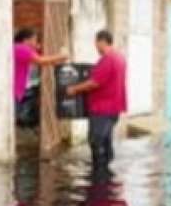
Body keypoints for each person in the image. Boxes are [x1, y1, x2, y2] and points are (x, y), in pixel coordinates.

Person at [67, 30, 128, 177]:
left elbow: (95, 82)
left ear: (101, 41)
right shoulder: (120, 57)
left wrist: (74, 88)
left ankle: (99, 175)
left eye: (96, 43)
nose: (96, 46)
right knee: (106, 140)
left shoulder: (107, 59)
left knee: (96, 140)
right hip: (113, 108)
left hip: (102, 108)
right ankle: (107, 173)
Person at [12, 28, 67, 109]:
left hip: (15, 91)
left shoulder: (17, 48)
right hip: (14, 91)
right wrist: (62, 56)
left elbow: (42, 60)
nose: (36, 42)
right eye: (34, 39)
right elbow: (41, 60)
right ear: (26, 40)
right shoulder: (22, 49)